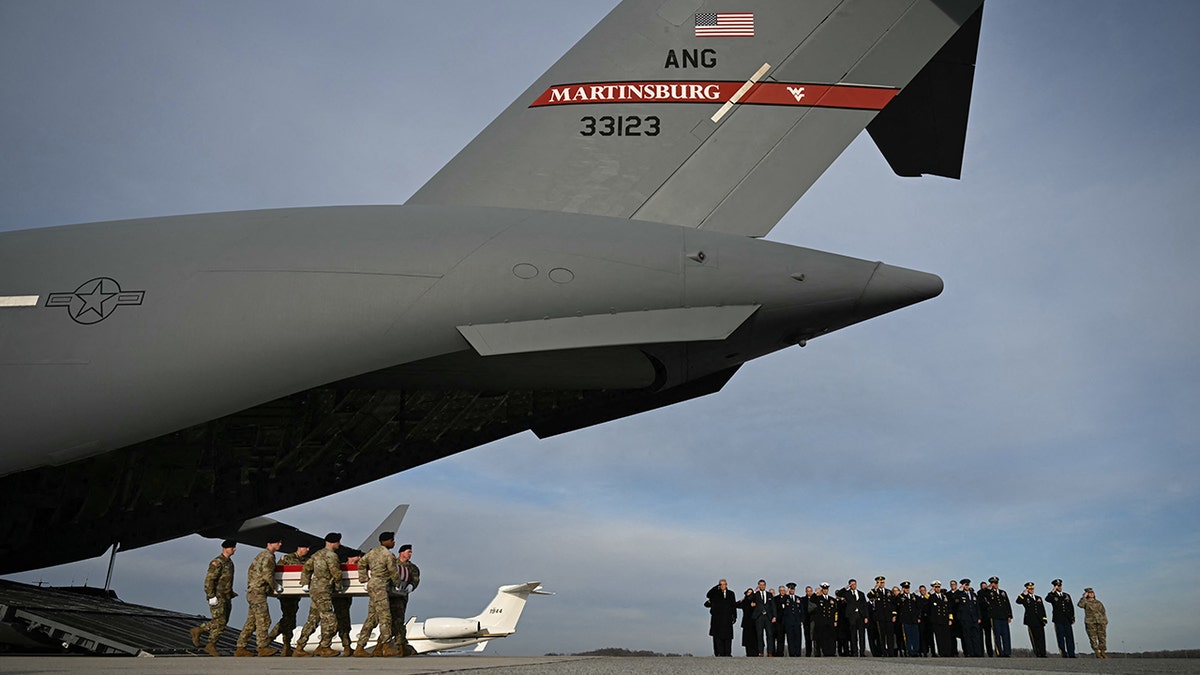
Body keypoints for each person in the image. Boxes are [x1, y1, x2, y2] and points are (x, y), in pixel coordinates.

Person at [293, 532, 344, 657]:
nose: (340, 544)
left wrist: (305, 583)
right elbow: (336, 573)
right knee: (330, 620)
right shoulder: (332, 556)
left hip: (314, 590)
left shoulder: (316, 555)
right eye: (338, 541)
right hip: (324, 590)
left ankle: (300, 646)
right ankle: (324, 646)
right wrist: (339, 587)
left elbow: (306, 568)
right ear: (334, 542)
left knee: (313, 619)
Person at [356, 532, 401, 657]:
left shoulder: (371, 552)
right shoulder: (388, 555)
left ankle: (360, 647)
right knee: (385, 616)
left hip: (372, 585)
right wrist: (398, 584)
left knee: (372, 617)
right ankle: (386, 646)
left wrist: (364, 579)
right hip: (381, 587)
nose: (394, 542)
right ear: (386, 541)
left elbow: (361, 563)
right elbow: (393, 571)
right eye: (392, 540)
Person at [235, 537, 282, 657]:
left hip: (252, 591)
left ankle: (241, 647)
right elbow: (267, 575)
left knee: (252, 621)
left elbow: (251, 571)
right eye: (278, 542)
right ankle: (262, 647)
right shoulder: (269, 557)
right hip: (258, 593)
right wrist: (275, 586)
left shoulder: (260, 555)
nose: (280, 544)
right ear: (270, 543)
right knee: (264, 620)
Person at [190, 539, 237, 657]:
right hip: (218, 596)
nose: (234, 549)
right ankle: (211, 645)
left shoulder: (229, 562)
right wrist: (211, 596)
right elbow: (209, 580)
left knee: (223, 622)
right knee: (220, 622)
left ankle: (199, 630)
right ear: (225, 548)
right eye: (232, 547)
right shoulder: (217, 562)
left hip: (226, 596)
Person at [266, 542, 310, 656]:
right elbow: (277, 571)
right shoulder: (287, 558)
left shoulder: (306, 561)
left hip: (295, 595)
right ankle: (269, 640)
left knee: (291, 620)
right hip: (286, 593)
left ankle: (286, 647)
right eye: (306, 547)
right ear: (300, 547)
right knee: (288, 618)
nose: (308, 550)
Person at [390, 543, 420, 656]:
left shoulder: (412, 568)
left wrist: (411, 586)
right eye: (408, 552)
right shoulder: (392, 564)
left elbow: (415, 579)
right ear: (401, 552)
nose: (410, 554)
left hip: (401, 597)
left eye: (411, 552)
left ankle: (400, 643)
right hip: (388, 595)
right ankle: (385, 643)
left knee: (399, 619)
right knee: (386, 620)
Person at [704, 579, 737, 657]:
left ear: (726, 585)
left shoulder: (731, 593)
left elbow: (733, 605)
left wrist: (734, 616)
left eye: (724, 584)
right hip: (717, 618)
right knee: (718, 637)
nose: (722, 586)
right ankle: (719, 653)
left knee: (728, 637)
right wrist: (716, 587)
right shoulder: (715, 594)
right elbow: (708, 595)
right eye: (721, 585)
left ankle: (728, 653)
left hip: (727, 618)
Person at [837, 578, 869, 656]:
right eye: (852, 584)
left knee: (862, 635)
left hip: (860, 616)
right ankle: (854, 652)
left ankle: (862, 652)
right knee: (853, 635)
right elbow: (839, 594)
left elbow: (865, 605)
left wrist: (866, 617)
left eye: (855, 584)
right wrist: (846, 587)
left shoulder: (861, 594)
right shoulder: (847, 593)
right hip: (852, 616)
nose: (854, 586)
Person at [1016, 581, 1048, 657]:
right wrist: (1023, 594)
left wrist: (1044, 619)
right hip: (1031, 621)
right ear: (1027, 589)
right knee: (1034, 638)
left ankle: (1043, 653)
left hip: (1039, 621)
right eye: (1029, 589)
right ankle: (1037, 653)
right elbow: (1018, 601)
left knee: (1041, 638)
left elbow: (1042, 609)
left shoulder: (1038, 598)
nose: (1031, 590)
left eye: (1032, 588)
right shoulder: (1025, 598)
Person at [1045, 579, 1076, 658]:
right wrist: (1053, 591)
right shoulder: (1053, 596)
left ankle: (1071, 653)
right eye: (1057, 586)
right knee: (1060, 636)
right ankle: (1063, 652)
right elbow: (1047, 599)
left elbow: (1071, 607)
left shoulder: (1066, 595)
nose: (1059, 587)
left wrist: (1072, 617)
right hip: (1058, 619)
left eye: (1060, 585)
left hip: (1067, 619)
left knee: (1069, 636)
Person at [983, 576, 1013, 657]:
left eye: (996, 583)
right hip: (995, 617)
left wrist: (1009, 615)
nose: (995, 585)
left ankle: (1007, 652)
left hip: (1004, 616)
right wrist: (987, 589)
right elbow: (983, 597)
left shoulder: (1003, 592)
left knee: (1006, 635)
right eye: (993, 583)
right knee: (997, 635)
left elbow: (1007, 604)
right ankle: (999, 652)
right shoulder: (988, 592)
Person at [953, 578, 983, 657]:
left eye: (968, 585)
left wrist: (979, 617)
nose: (967, 586)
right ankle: (970, 652)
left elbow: (977, 607)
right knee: (967, 637)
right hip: (965, 619)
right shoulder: (960, 594)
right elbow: (954, 598)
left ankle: (977, 652)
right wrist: (960, 590)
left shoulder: (973, 594)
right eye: (965, 585)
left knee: (976, 636)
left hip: (974, 618)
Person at [868, 575, 896, 656]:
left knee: (890, 635)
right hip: (880, 617)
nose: (881, 584)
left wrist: (894, 614)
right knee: (882, 636)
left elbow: (893, 604)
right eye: (879, 583)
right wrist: (875, 589)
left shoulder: (889, 592)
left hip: (889, 617)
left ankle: (891, 652)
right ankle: (883, 652)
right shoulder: (875, 592)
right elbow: (869, 596)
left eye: (882, 582)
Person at [925, 581, 954, 657]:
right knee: (939, 637)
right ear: (934, 588)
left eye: (938, 587)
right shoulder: (931, 597)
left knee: (946, 637)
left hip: (945, 620)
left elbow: (949, 608)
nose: (937, 589)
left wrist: (950, 619)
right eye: (936, 587)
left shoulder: (944, 597)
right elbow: (926, 606)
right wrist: (928, 594)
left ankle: (947, 652)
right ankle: (941, 652)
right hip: (936, 621)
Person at [1077, 587, 1108, 658]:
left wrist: (1105, 621)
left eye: (1092, 593)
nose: (1091, 594)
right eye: (1089, 593)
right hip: (1090, 622)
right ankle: (1097, 652)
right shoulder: (1086, 602)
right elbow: (1080, 605)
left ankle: (1103, 652)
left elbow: (1103, 612)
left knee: (1102, 637)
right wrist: (1083, 597)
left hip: (1101, 621)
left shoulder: (1098, 602)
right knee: (1092, 637)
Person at [808, 582, 837, 656]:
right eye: (823, 589)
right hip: (821, 622)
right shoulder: (817, 598)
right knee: (822, 638)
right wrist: (815, 593)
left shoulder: (832, 600)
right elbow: (811, 601)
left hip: (830, 622)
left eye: (826, 589)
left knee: (830, 639)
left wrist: (835, 620)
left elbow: (835, 612)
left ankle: (830, 652)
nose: (825, 591)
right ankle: (823, 652)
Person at [896, 581, 921, 657]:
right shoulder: (901, 597)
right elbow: (895, 602)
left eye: (908, 588)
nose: (907, 589)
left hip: (914, 620)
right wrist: (900, 594)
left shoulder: (913, 597)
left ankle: (916, 651)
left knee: (915, 637)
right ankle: (909, 651)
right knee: (908, 637)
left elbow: (918, 607)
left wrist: (918, 617)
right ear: (903, 589)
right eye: (905, 588)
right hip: (905, 620)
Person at [781, 582, 805, 657]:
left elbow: (802, 610)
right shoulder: (786, 598)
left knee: (798, 637)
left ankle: (798, 653)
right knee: (790, 638)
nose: (792, 590)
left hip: (797, 621)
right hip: (789, 621)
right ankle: (791, 653)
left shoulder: (798, 598)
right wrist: (786, 594)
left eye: (793, 589)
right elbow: (781, 601)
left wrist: (802, 620)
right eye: (790, 589)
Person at [738, 589, 757, 656]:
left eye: (751, 592)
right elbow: (736, 604)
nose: (749, 593)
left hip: (754, 623)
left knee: (755, 639)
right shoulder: (744, 602)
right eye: (748, 592)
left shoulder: (755, 601)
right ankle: (748, 653)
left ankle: (755, 653)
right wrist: (742, 599)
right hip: (746, 622)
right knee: (747, 639)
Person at [771, 585, 789, 656]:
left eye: (783, 590)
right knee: (778, 637)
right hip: (778, 621)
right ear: (779, 591)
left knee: (785, 638)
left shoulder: (788, 598)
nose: (782, 592)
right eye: (781, 590)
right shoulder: (775, 599)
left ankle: (783, 653)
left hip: (787, 621)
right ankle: (777, 652)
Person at [802, 585, 815, 656]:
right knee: (807, 637)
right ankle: (808, 653)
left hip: (814, 620)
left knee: (814, 637)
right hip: (806, 621)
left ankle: (816, 652)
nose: (809, 592)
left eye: (810, 591)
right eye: (808, 591)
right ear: (806, 592)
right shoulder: (802, 599)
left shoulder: (815, 599)